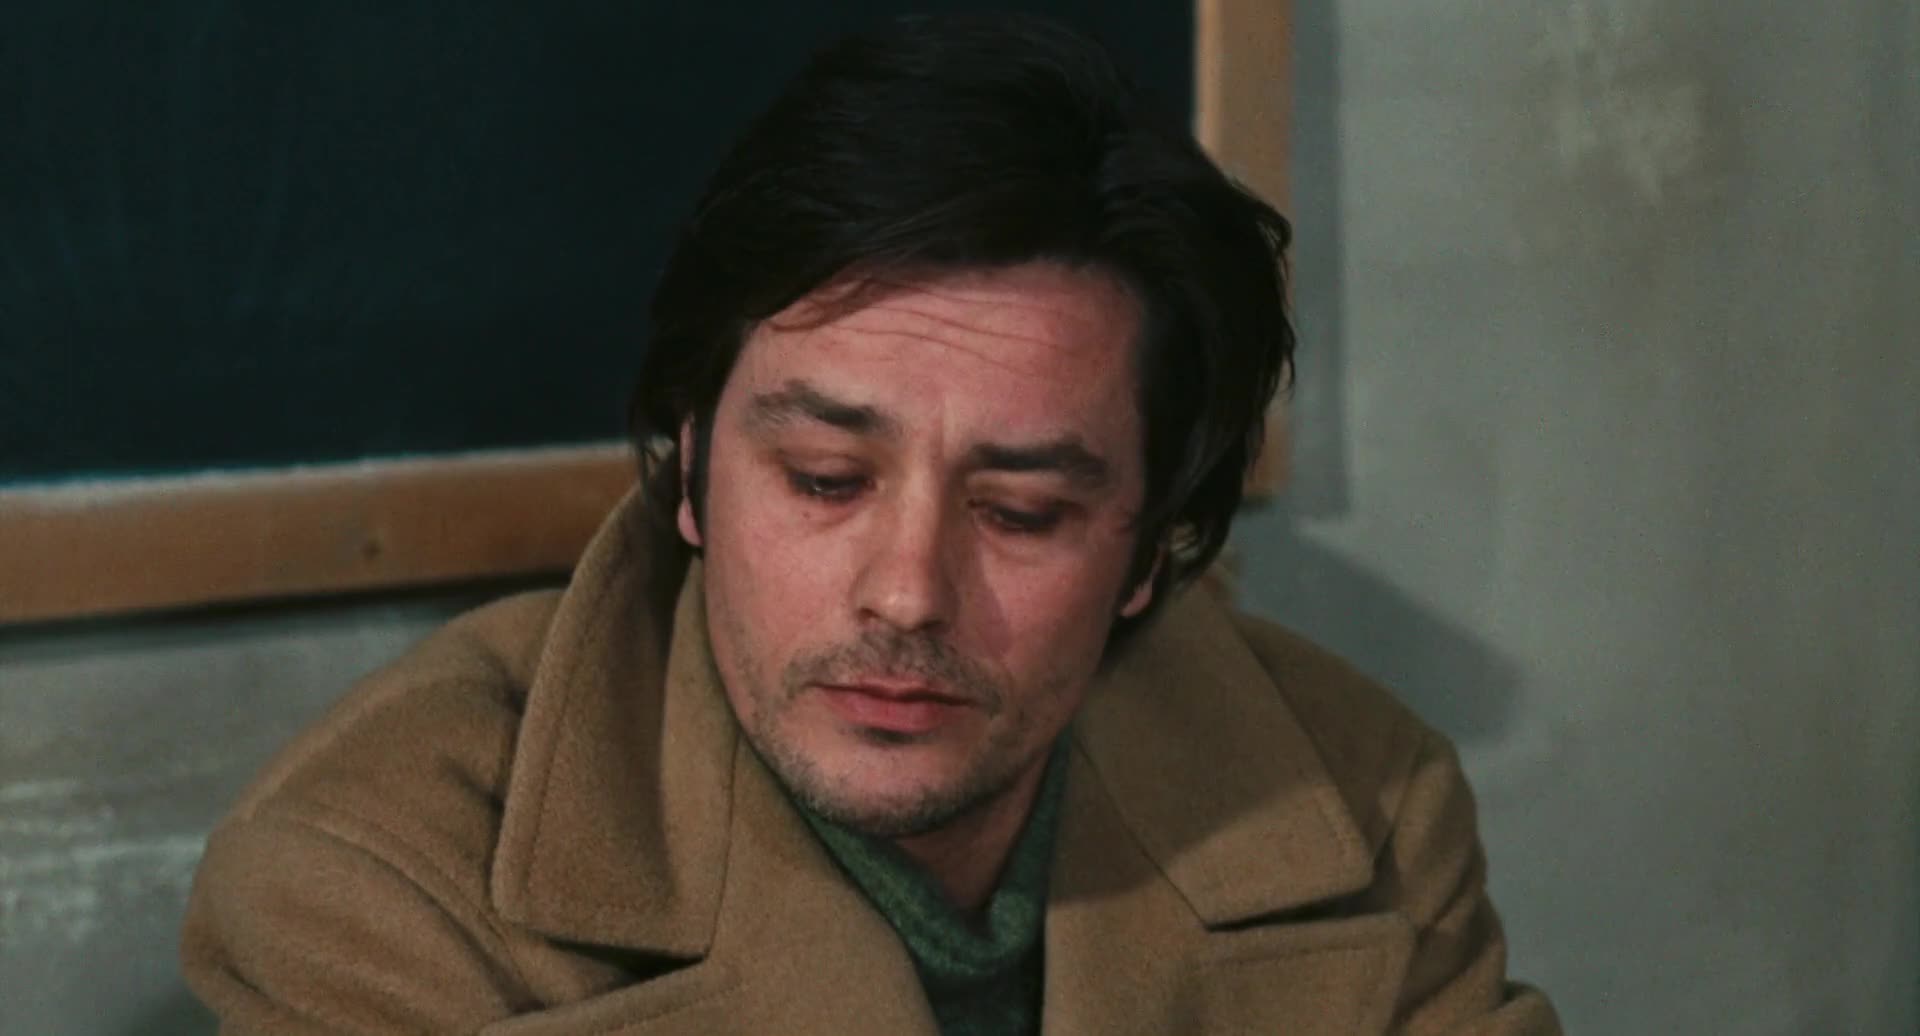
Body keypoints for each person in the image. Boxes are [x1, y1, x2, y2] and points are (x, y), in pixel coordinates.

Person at [181, 13, 1560, 1034]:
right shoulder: (376, 880)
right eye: (826, 481)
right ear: (689, 473)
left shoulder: (1366, 805)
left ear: (1153, 555)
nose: (906, 592)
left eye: (1021, 512)